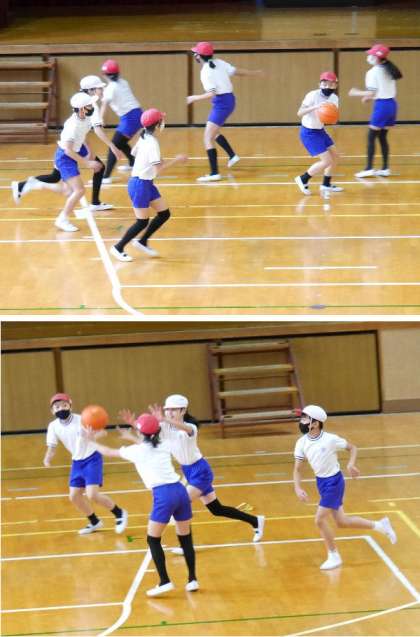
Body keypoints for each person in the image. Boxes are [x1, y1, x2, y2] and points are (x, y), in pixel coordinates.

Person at [121, 394, 265, 544]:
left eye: (173, 409)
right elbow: (148, 433)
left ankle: (185, 546)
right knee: (217, 509)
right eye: (167, 409)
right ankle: (256, 521)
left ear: (183, 410)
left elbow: (186, 428)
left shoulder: (191, 428)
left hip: (200, 471)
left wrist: (164, 419)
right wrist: (134, 423)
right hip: (188, 471)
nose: (169, 412)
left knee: (180, 505)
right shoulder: (164, 427)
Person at [88, 413, 199, 597]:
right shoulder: (163, 444)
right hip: (180, 490)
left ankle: (164, 581)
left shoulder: (136, 451)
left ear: (140, 433)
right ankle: (192, 579)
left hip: (164, 495)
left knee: (153, 539)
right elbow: (148, 441)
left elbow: (108, 451)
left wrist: (90, 441)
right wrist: (133, 435)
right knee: (185, 537)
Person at [293, 404, 397, 570]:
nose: (302, 421)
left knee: (319, 520)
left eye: (305, 418)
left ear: (316, 423)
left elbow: (352, 448)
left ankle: (333, 555)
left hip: (334, 482)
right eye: (302, 418)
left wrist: (350, 464)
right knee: (342, 522)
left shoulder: (330, 439)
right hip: (321, 482)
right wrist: (297, 488)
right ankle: (380, 526)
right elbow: (298, 469)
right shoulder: (301, 443)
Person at [12, 81, 122, 216]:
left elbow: (82, 134)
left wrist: (90, 152)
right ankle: (64, 211)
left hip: (76, 149)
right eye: (99, 88)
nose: (92, 106)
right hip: (67, 153)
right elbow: (69, 149)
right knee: (72, 189)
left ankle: (27, 185)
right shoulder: (74, 122)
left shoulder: (85, 115)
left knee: (59, 181)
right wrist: (89, 161)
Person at [43, 393, 128, 535]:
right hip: (77, 462)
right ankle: (94, 522)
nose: (61, 408)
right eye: (57, 407)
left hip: (92, 458)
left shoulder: (83, 419)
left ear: (70, 406)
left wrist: (92, 436)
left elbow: (103, 433)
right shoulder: (53, 426)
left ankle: (119, 513)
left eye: (64, 405)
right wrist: (47, 458)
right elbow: (51, 447)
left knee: (92, 494)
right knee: (74, 496)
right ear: (52, 411)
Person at [109, 108, 187, 262]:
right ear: (157, 124)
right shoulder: (152, 142)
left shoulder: (143, 136)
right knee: (142, 222)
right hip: (140, 185)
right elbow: (159, 169)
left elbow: (134, 153)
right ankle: (118, 248)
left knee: (164, 214)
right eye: (161, 120)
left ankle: (143, 241)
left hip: (147, 184)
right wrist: (177, 160)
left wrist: (153, 160)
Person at [187, 41, 263, 182]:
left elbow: (212, 93)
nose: (194, 55)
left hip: (222, 103)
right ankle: (232, 156)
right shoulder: (220, 62)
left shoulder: (205, 72)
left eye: (195, 53)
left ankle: (214, 173)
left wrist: (194, 98)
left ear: (199, 56)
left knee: (207, 137)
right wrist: (254, 73)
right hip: (228, 100)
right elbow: (237, 72)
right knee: (213, 132)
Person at [349, 44, 402, 177]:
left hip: (382, 106)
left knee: (371, 137)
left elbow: (372, 92)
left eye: (371, 54)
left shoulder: (372, 72)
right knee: (382, 137)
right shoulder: (389, 69)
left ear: (376, 57)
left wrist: (356, 93)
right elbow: (380, 90)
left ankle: (368, 168)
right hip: (392, 105)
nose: (369, 56)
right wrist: (368, 97)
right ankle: (385, 168)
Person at [294, 71, 343, 196]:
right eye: (325, 84)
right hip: (309, 132)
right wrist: (316, 107)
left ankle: (326, 184)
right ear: (319, 84)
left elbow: (330, 117)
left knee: (335, 156)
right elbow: (299, 113)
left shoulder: (334, 98)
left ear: (335, 85)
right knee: (326, 161)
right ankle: (303, 179)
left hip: (320, 130)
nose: (327, 87)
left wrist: (331, 118)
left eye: (331, 84)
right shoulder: (312, 95)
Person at [100, 59, 143, 183]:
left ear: (104, 75)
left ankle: (106, 177)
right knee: (122, 142)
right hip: (137, 113)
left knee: (114, 145)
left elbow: (104, 104)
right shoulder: (123, 82)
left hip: (129, 118)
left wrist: (100, 119)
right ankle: (132, 162)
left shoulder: (110, 88)